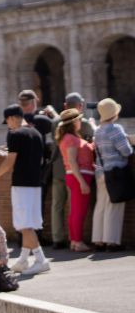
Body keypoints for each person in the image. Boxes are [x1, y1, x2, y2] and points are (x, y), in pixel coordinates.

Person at [0, 104, 49, 275]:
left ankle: (41, 259)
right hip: (35, 184)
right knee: (29, 221)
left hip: (21, 184)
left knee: (25, 224)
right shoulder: (37, 133)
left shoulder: (15, 134)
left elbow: (10, 162)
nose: (8, 125)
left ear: (12, 118)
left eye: (7, 121)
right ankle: (23, 259)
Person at [49, 93, 94, 250]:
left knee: (74, 210)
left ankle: (74, 241)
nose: (81, 121)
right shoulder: (71, 139)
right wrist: (82, 182)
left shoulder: (68, 137)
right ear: (74, 121)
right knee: (78, 211)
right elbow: (73, 162)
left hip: (73, 176)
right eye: (79, 119)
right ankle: (77, 241)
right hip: (78, 176)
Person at [93, 98, 133, 251]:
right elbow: (126, 151)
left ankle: (98, 240)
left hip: (100, 171)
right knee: (114, 206)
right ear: (114, 114)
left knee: (101, 206)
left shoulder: (97, 130)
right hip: (115, 172)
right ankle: (112, 242)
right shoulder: (115, 129)